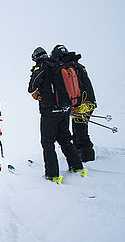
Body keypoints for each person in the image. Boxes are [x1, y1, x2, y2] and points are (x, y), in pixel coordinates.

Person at [27, 46, 83, 182]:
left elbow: (32, 86)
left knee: (48, 142)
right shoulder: (58, 65)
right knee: (65, 139)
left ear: (35, 58)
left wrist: (35, 92)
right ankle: (77, 167)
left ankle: (52, 175)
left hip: (50, 110)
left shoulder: (42, 66)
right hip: (64, 109)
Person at [59, 49, 97, 162]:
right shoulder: (77, 66)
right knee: (78, 129)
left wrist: (76, 103)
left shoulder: (71, 68)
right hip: (87, 102)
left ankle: (86, 156)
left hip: (82, 104)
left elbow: (77, 88)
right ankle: (79, 154)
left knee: (80, 131)